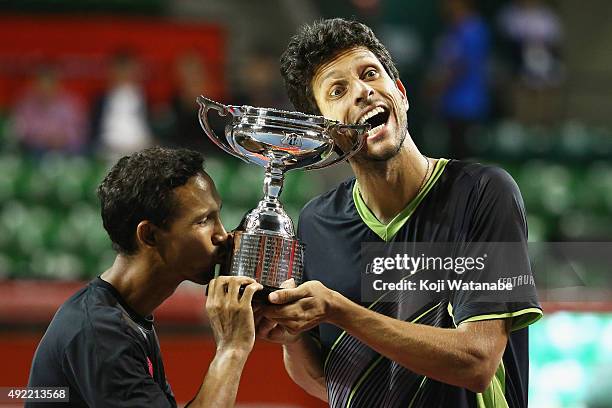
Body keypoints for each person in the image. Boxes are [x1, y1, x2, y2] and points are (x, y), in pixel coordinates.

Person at [256, 18, 542, 407]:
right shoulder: (315, 222)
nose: (362, 91)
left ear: (401, 93)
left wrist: (341, 311)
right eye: (337, 90)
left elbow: (478, 362)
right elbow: (328, 380)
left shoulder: (483, 192)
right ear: (326, 132)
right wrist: (291, 337)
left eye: (370, 73)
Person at [27, 147, 262, 407]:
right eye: (204, 220)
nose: (222, 235)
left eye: (217, 215)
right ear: (149, 235)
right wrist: (231, 348)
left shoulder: (126, 316)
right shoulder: (100, 332)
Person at [428, 0, 491, 158]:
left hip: (467, 105)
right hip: (450, 105)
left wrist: (437, 86)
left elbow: (461, 66)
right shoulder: (452, 29)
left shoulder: (473, 29)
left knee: (464, 157)